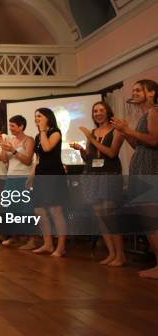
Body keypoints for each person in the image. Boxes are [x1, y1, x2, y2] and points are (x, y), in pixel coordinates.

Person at [112, 79, 158, 279]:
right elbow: (139, 146)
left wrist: (129, 130)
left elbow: (155, 140)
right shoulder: (146, 114)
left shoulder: (154, 112)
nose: (135, 93)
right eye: (133, 90)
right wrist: (125, 133)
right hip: (143, 169)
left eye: (139, 90)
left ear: (152, 92)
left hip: (150, 171)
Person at [72, 101, 125, 266]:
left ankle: (120, 255)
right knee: (100, 216)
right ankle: (111, 254)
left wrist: (90, 138)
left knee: (110, 215)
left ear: (108, 112)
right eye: (95, 111)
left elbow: (111, 153)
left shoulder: (117, 130)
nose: (98, 113)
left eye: (101, 110)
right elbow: (89, 157)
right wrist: (82, 151)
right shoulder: (93, 131)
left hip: (109, 174)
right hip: (92, 175)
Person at [30, 108, 68, 257]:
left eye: (39, 116)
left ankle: (61, 247)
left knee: (55, 210)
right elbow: (38, 158)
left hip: (54, 175)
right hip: (40, 175)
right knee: (39, 210)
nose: (36, 119)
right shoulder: (39, 135)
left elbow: (46, 148)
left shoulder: (55, 132)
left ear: (48, 117)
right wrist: (31, 176)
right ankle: (47, 244)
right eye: (35, 116)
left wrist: (43, 130)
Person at [0, 115, 35, 248]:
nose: (11, 128)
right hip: (11, 177)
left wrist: (13, 150)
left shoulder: (29, 140)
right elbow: (4, 160)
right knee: (10, 209)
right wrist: (4, 148)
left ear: (21, 126)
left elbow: (27, 160)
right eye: (10, 126)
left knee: (25, 209)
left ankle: (31, 240)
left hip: (23, 178)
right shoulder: (11, 140)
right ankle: (14, 236)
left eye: (13, 126)